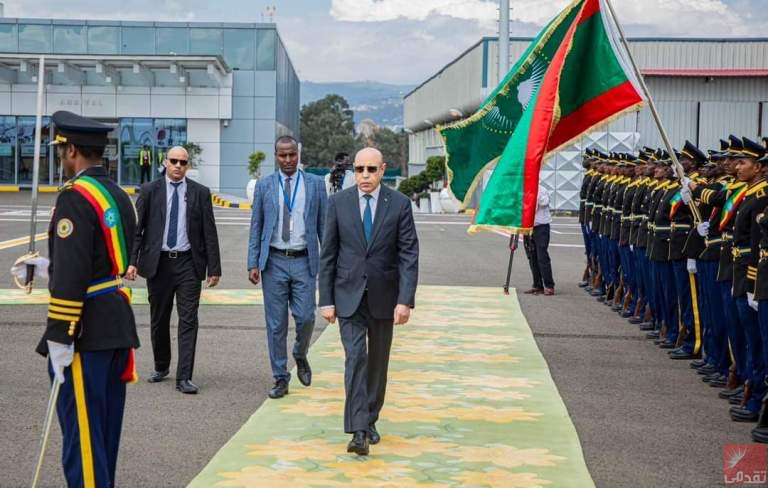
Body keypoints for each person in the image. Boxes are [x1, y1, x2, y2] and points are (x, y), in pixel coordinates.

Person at [36, 110, 140, 486]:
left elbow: (76, 270)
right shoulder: (119, 194)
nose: (60, 158)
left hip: (83, 330)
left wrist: (60, 334)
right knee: (103, 433)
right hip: (113, 318)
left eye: (61, 150)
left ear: (73, 150)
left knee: (82, 437)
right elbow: (100, 259)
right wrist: (48, 265)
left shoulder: (75, 198)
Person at [318, 147, 419, 456]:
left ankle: (370, 417)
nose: (364, 175)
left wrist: (405, 300)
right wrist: (326, 300)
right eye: (360, 169)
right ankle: (358, 430)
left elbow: (408, 255)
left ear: (382, 170)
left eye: (371, 170)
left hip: (384, 298)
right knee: (355, 359)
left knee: (377, 364)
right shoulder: (338, 203)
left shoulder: (399, 204)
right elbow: (328, 256)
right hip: (347, 296)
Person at [126, 146, 221, 394]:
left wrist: (215, 267)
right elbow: (139, 230)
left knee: (189, 320)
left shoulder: (200, 193)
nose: (178, 166)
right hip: (158, 264)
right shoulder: (150, 191)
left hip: (189, 264)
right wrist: (132, 261)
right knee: (159, 319)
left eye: (183, 162)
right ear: (165, 162)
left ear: (188, 166)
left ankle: (184, 377)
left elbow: (209, 232)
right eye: (174, 161)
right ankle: (161, 365)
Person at [247, 135, 327, 399]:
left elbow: (324, 227)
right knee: (276, 324)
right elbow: (256, 225)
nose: (288, 160)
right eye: (283, 155)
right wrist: (253, 262)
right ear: (276, 156)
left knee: (306, 317)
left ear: (298, 154)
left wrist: (329, 262)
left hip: (305, 260)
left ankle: (300, 353)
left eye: (292, 154)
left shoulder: (316, 185)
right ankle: (280, 377)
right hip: (274, 261)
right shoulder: (265, 185)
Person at [523, 183, 555, 295]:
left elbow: (544, 203)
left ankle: (549, 285)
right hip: (528, 227)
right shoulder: (523, 189)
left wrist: (532, 194)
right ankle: (537, 285)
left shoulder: (541, 189)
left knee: (542, 256)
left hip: (541, 226)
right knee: (532, 257)